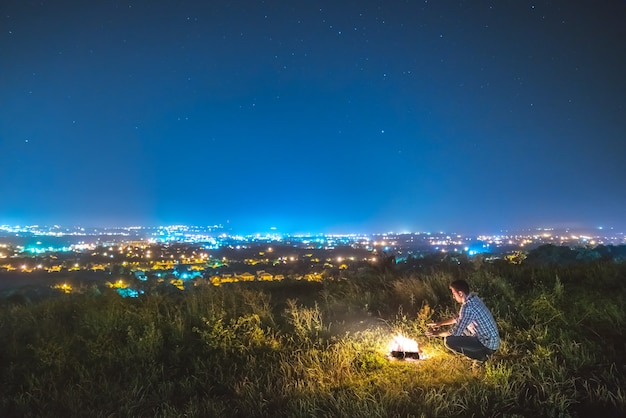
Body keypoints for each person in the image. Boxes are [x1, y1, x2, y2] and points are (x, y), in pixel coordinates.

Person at [426, 279, 500, 362]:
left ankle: (481, 357)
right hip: (493, 341)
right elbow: (458, 318)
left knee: (449, 341)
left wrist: (436, 333)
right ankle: (479, 352)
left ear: (460, 293)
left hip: (487, 345)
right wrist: (440, 323)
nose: (453, 297)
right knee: (460, 330)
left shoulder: (467, 307)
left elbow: (454, 332)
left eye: (454, 294)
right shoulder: (473, 298)